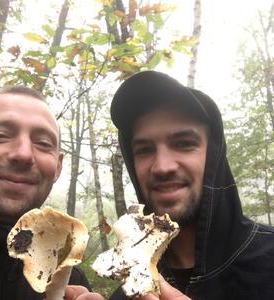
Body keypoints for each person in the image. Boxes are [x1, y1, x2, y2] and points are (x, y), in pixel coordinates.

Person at [107, 70, 274, 299]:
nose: (162, 166)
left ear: (213, 155)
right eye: (145, 150)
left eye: (184, 143)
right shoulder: (130, 292)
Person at [0, 86, 102, 300]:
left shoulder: (70, 280)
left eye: (43, 144)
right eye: (0, 135)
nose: (23, 154)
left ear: (58, 167)